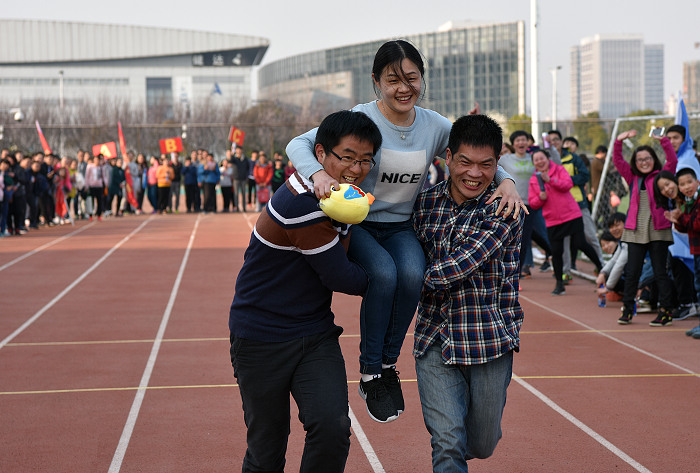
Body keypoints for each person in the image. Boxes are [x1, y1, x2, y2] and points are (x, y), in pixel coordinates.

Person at [286, 39, 523, 423]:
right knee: (383, 274)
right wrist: (317, 175)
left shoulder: (434, 125)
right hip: (360, 223)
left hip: (400, 226)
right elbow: (299, 143)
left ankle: (387, 365)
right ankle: (369, 371)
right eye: (392, 79)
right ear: (376, 81)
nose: (403, 88)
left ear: (422, 79)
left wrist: (507, 180)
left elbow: (474, 152)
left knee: (413, 274)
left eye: (411, 78)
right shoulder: (362, 117)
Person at [229, 110, 381, 473]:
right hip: (260, 337)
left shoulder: (338, 194)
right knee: (266, 451)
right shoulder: (302, 203)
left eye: (365, 160)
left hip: (314, 334)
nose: (357, 169)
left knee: (332, 428)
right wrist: (389, 280)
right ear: (320, 153)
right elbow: (341, 277)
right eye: (348, 157)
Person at [412, 114, 523, 472]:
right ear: (447, 157)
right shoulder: (422, 204)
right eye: (465, 162)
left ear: (497, 163)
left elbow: (460, 266)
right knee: (447, 442)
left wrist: (399, 280)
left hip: (488, 341)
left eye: (486, 165)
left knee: (481, 444)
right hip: (434, 339)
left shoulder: (505, 208)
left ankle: (469, 446)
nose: (474, 173)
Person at [613, 129, 677, 326]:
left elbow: (672, 160)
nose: (644, 162)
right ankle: (627, 309)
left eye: (647, 158)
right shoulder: (632, 177)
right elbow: (618, 161)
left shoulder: (661, 176)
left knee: (660, 272)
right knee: (632, 272)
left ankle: (665, 312)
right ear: (635, 162)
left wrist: (663, 140)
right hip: (635, 230)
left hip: (658, 229)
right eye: (639, 159)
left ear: (653, 159)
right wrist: (619, 141)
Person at [528, 148, 603, 295]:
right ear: (533, 163)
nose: (540, 162)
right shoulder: (534, 180)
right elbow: (533, 203)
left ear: (548, 158)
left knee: (580, 243)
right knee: (556, 252)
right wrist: (540, 198)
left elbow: (567, 184)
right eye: (536, 160)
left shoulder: (559, 170)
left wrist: (551, 180)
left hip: (571, 215)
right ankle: (559, 284)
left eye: (542, 158)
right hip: (553, 220)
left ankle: (601, 268)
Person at [660, 168, 700, 321]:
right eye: (682, 184)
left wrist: (681, 218)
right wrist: (676, 221)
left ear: (697, 182)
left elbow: (696, 224)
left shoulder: (695, 202)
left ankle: (687, 304)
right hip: (695, 250)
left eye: (689, 182)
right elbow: (687, 226)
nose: (687, 186)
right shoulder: (688, 202)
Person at [596, 230, 628, 302]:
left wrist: (608, 288)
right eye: (603, 245)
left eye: (608, 243)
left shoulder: (623, 248)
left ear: (616, 241)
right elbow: (613, 261)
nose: (606, 247)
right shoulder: (618, 251)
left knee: (610, 275)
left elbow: (619, 266)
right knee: (606, 275)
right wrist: (602, 273)